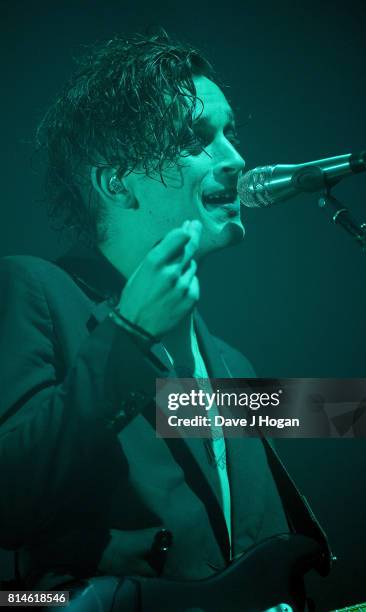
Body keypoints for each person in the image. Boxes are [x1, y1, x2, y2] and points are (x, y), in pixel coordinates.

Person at [0, 31, 331, 611]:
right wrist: (127, 335)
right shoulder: (33, 289)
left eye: (230, 133)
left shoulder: (232, 365)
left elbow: (343, 412)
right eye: (196, 139)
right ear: (116, 183)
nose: (235, 158)